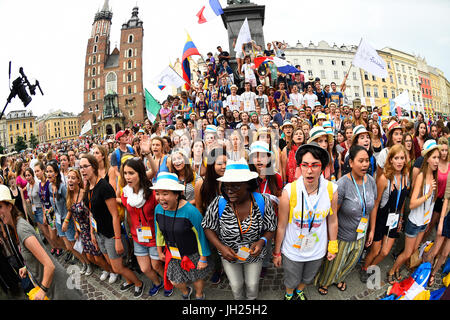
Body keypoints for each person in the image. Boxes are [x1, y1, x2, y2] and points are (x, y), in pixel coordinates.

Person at [202, 158, 277, 300]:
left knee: (252, 284)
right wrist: (221, 247)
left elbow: (271, 227)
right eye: (226, 186)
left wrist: (261, 242)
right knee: (236, 285)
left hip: (254, 254)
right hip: (229, 254)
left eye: (235, 186)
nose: (229, 190)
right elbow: (207, 227)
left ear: (248, 185)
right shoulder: (219, 202)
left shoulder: (262, 201)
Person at [274, 142, 338, 300]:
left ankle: (300, 291)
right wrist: (276, 252)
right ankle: (289, 294)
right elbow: (281, 226)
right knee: (291, 278)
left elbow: (332, 220)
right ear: (299, 167)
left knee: (308, 277)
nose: (309, 170)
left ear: (322, 167)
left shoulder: (331, 189)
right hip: (293, 249)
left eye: (315, 165)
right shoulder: (289, 191)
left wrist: (333, 245)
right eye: (305, 165)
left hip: (317, 248)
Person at [0, 184, 85, 299]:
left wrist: (42, 290)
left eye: (0, 207)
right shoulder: (15, 227)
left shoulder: (21, 229)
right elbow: (35, 253)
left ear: (9, 206)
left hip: (57, 287)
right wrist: (27, 267)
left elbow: (49, 265)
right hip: (52, 287)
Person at [315, 145, 377, 295]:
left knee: (350, 264)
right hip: (342, 236)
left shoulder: (370, 181)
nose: (364, 165)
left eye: (367, 161)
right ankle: (325, 282)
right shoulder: (342, 184)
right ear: (350, 163)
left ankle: (339, 278)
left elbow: (373, 206)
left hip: (360, 235)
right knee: (334, 265)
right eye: (360, 161)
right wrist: (332, 240)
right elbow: (333, 214)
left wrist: (372, 229)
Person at [80, 154, 144, 295]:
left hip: (111, 233)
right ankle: (128, 281)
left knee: (117, 268)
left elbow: (115, 214)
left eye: (85, 166)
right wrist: (92, 233)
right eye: (80, 167)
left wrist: (117, 240)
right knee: (113, 265)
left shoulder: (104, 186)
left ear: (94, 167)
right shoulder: (87, 187)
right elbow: (91, 212)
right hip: (99, 233)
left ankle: (139, 283)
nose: (82, 170)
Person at [387, 140, 440, 284]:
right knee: (408, 253)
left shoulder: (434, 176)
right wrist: (428, 195)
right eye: (434, 157)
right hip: (415, 222)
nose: (437, 161)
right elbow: (412, 203)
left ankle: (397, 269)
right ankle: (391, 271)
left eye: (438, 158)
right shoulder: (422, 176)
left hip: (424, 221)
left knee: (413, 250)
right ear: (427, 158)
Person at [153, 172, 211, 300]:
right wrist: (159, 250)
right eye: (158, 193)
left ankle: (199, 294)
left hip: (193, 253)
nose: (160, 198)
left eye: (165, 193)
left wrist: (203, 258)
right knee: (174, 281)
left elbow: (201, 235)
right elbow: (159, 232)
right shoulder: (158, 209)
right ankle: (186, 291)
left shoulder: (191, 211)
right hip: (173, 254)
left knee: (196, 278)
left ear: (176, 194)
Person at [360, 144, 410, 283]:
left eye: (402, 158)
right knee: (375, 251)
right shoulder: (384, 179)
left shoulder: (406, 177)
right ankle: (365, 268)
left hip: (394, 219)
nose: (399, 161)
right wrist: (372, 228)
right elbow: (376, 205)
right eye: (396, 158)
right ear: (390, 160)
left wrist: (400, 218)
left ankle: (372, 267)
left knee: (385, 252)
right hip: (381, 218)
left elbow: (403, 200)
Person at [120, 158, 168, 297]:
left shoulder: (152, 193)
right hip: (137, 236)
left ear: (140, 173)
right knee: (145, 268)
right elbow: (128, 213)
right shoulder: (125, 193)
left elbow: (155, 172)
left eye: (131, 173)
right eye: (125, 173)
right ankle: (157, 283)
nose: (127, 177)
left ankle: (168, 282)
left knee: (157, 265)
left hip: (154, 236)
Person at [66, 168, 110, 277]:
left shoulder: (84, 193)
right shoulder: (70, 196)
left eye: (73, 178)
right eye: (68, 178)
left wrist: (92, 232)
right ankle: (106, 269)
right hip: (82, 231)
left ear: (78, 180)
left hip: (91, 227)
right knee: (90, 257)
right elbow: (73, 216)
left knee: (98, 255)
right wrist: (76, 231)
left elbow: (92, 213)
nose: (70, 180)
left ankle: (112, 271)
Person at [248, 141, 283, 278]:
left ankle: (264, 265)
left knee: (267, 245)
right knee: (252, 243)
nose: (259, 160)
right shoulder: (247, 177)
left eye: (263, 156)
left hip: (270, 220)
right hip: (252, 218)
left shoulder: (276, 177)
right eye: (255, 156)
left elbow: (280, 198)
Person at [195, 147, 228, 284]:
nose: (224, 167)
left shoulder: (231, 181)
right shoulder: (201, 184)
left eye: (226, 163)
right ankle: (217, 269)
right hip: (212, 227)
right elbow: (199, 208)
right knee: (215, 251)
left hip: (229, 225)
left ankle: (230, 269)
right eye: (219, 163)